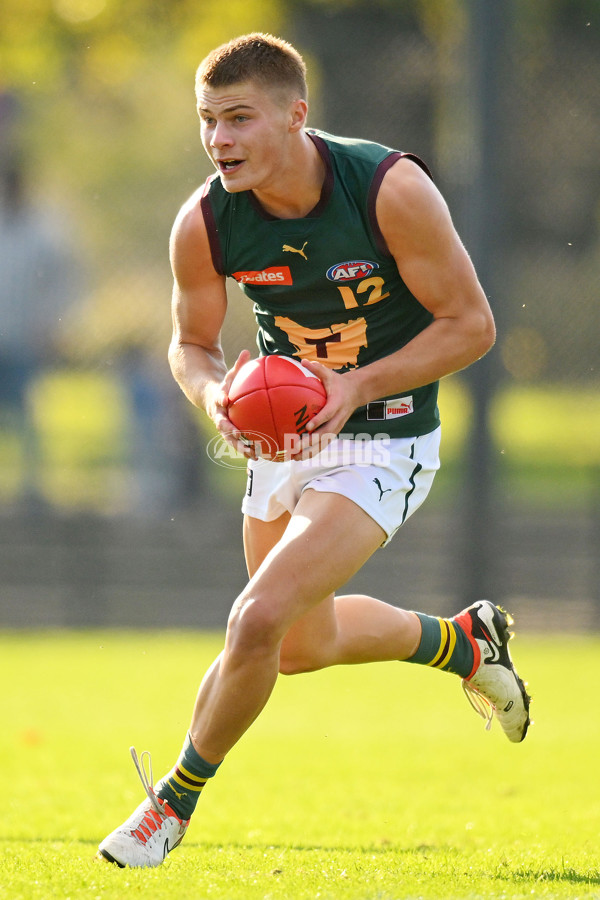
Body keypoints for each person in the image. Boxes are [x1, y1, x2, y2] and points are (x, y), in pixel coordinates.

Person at [97, 33, 530, 868]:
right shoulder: (205, 220)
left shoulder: (388, 189)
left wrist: (355, 388)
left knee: (255, 617)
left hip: (385, 434)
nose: (219, 139)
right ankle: (465, 645)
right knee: (296, 646)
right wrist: (215, 394)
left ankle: (169, 809)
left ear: (297, 116)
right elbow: (190, 344)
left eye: (238, 118)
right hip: (285, 439)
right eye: (207, 121)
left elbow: (473, 327)